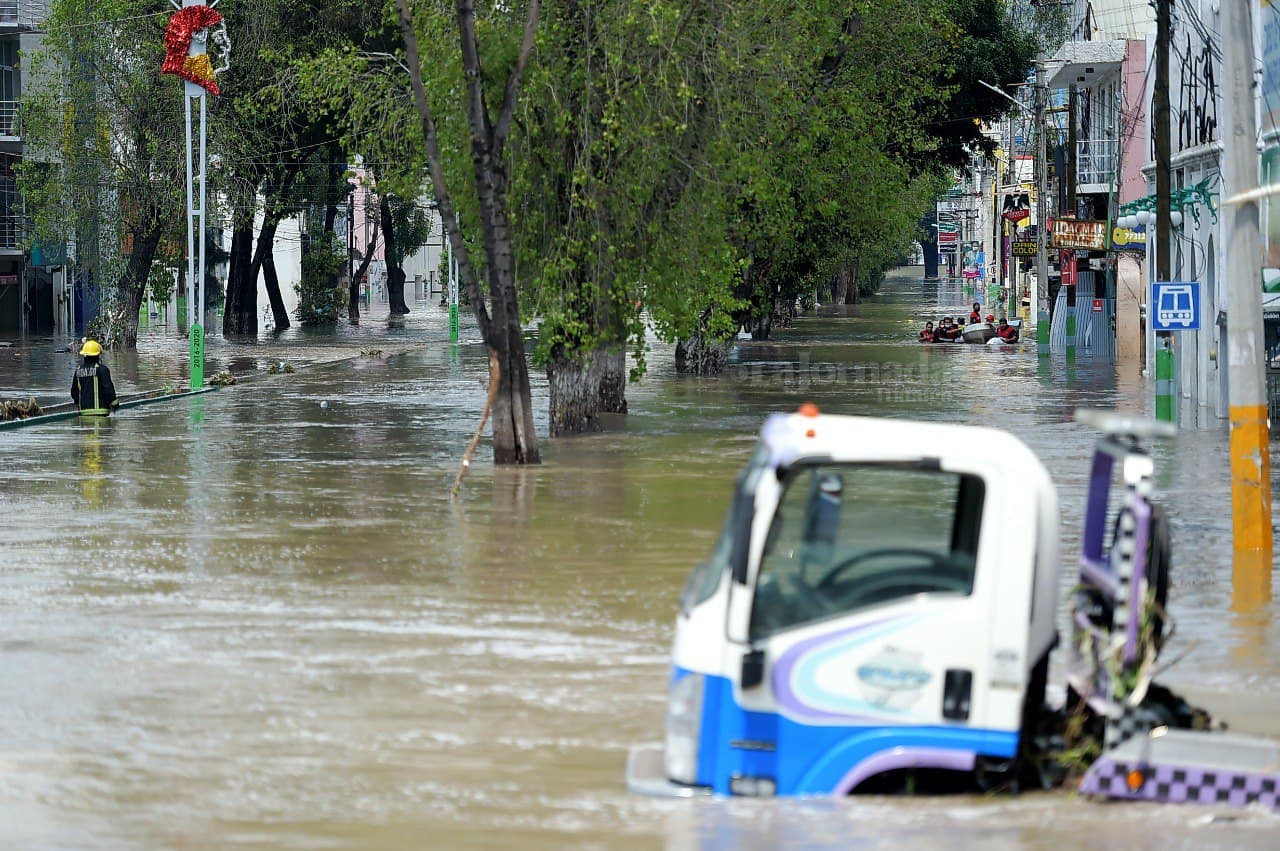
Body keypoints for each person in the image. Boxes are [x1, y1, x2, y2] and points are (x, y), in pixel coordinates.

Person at [70, 339, 119, 416]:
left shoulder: (78, 370)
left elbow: (74, 392)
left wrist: (78, 403)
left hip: (84, 413)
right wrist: (114, 403)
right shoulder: (102, 369)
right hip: (101, 413)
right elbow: (108, 389)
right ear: (98, 355)